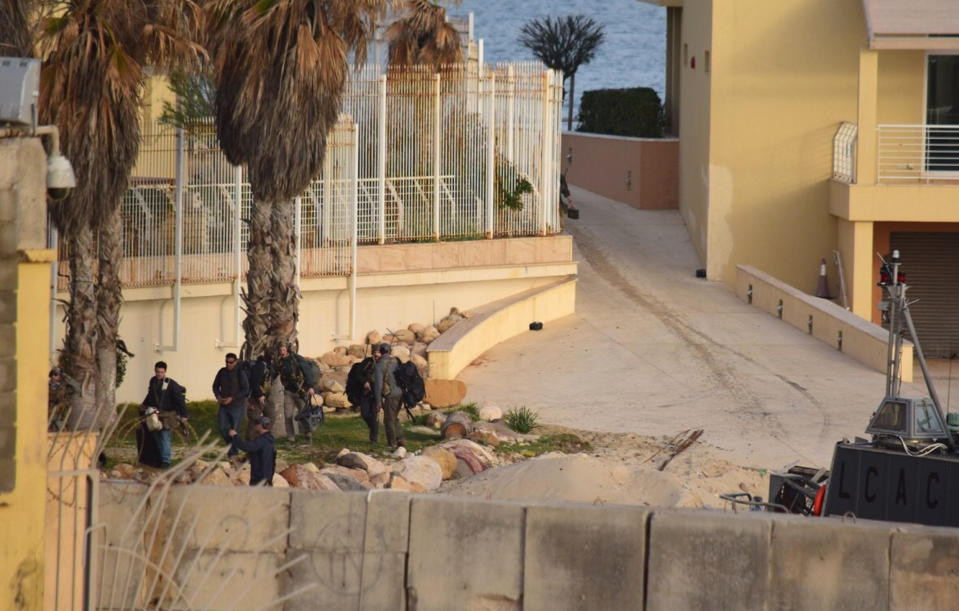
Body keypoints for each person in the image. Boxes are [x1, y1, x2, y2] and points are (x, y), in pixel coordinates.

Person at [140, 361, 188, 468]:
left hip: (168, 415)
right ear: (155, 371)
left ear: (165, 372)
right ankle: (161, 459)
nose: (159, 374)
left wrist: (184, 415)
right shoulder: (153, 381)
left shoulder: (172, 384)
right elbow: (150, 394)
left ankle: (166, 462)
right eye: (157, 372)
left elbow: (180, 400)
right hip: (155, 415)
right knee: (157, 436)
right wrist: (144, 404)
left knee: (165, 437)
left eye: (161, 372)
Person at [273, 344, 315, 443]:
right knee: (288, 415)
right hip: (288, 392)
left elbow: (307, 372)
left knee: (304, 414)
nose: (282, 352)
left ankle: (308, 434)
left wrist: (310, 386)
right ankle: (290, 438)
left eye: (283, 349)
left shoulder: (297, 359)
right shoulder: (279, 362)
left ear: (287, 350)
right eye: (280, 350)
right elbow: (274, 373)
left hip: (300, 391)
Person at [212, 352, 250, 456]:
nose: (228, 364)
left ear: (236, 362)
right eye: (227, 362)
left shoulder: (240, 373)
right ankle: (232, 447)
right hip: (223, 405)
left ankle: (233, 453)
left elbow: (245, 389)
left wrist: (232, 398)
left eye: (231, 362)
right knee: (223, 427)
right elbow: (215, 386)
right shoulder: (222, 372)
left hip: (236, 405)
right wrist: (218, 396)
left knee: (234, 430)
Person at [373, 342, 405, 450]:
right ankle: (400, 439)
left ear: (380, 352)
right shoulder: (395, 361)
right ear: (389, 351)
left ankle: (392, 443)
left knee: (388, 420)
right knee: (394, 417)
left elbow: (378, 385)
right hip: (401, 393)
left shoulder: (379, 365)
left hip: (391, 395)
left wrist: (378, 401)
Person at [228, 416, 276, 486]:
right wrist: (244, 459)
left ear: (260, 425)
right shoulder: (269, 440)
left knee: (257, 496)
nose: (255, 425)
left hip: (260, 477)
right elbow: (259, 453)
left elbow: (246, 447)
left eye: (257, 423)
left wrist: (235, 436)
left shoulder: (262, 440)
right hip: (267, 476)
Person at [346, 350, 378, 445]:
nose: (377, 355)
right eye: (375, 353)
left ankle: (374, 438)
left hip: (377, 394)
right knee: (365, 414)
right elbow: (358, 373)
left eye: (379, 353)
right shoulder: (367, 362)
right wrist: (365, 382)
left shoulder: (383, 363)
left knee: (375, 416)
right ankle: (372, 427)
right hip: (366, 393)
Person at [242, 355, 271, 441]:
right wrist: (259, 395)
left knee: (266, 417)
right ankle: (251, 445)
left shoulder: (266, 365)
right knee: (254, 421)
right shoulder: (261, 365)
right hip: (255, 397)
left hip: (260, 397)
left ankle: (262, 440)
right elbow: (254, 382)